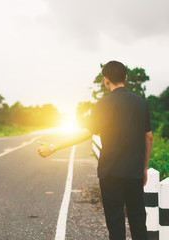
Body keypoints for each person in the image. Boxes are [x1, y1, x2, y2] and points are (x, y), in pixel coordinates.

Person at [37, 60, 152, 240]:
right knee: (138, 221)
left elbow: (86, 133)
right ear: (126, 77)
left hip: (110, 173)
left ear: (106, 80)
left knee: (116, 224)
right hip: (134, 173)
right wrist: (143, 168)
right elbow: (148, 137)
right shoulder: (141, 103)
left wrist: (54, 146)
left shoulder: (103, 104)